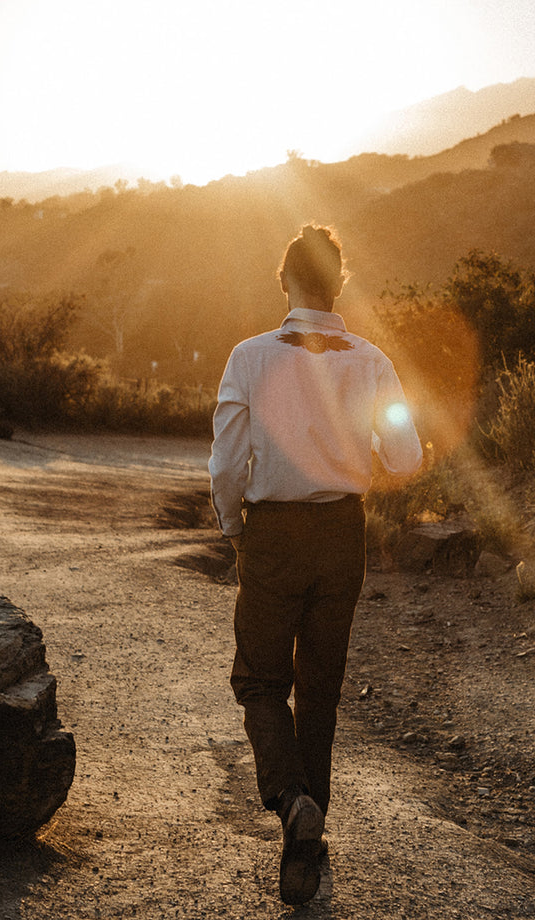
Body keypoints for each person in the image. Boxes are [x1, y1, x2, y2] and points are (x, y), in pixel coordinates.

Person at [208, 224, 423, 905]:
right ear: (339, 283)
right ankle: (304, 854)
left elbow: (225, 464)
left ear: (286, 282)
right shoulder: (371, 361)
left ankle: (293, 801)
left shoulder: (248, 358)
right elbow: (406, 458)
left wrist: (233, 526)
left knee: (260, 681)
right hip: (341, 533)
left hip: (272, 534)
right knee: (320, 690)